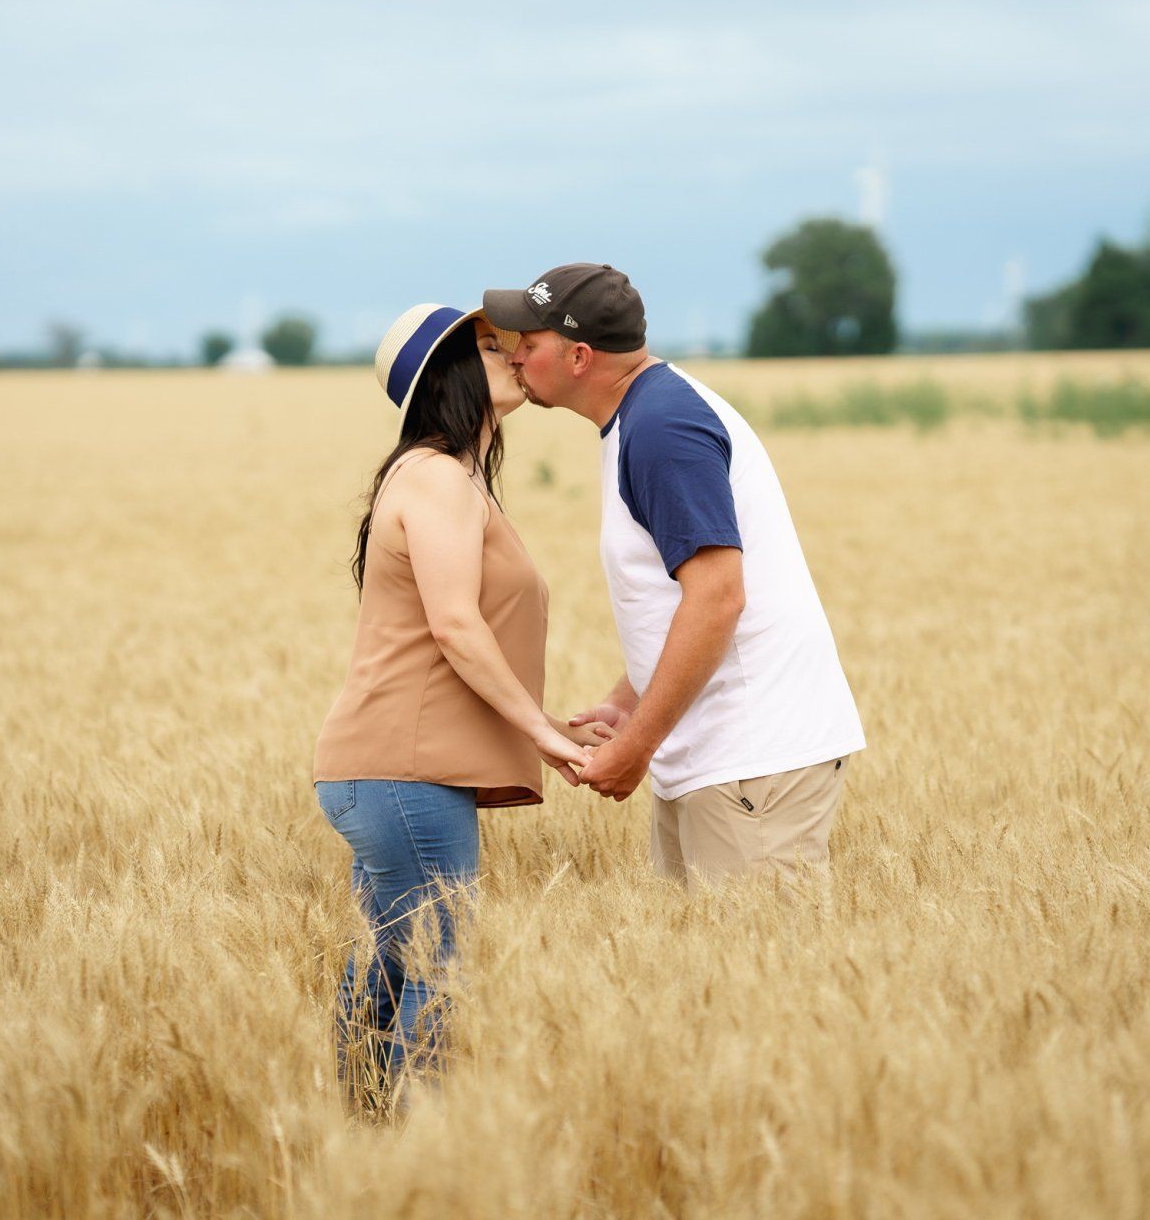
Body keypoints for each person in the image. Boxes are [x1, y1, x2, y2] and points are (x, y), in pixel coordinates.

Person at [483, 264, 865, 891]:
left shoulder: (662, 428)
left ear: (579, 356)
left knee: (757, 976)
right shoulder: (644, 414)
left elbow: (718, 597)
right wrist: (624, 703)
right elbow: (677, 598)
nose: (515, 355)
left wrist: (635, 748)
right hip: (716, 755)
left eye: (529, 341)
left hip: (750, 757)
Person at [312, 303, 603, 1114]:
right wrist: (540, 732)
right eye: (487, 343)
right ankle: (416, 1157)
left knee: (389, 965)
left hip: (392, 769)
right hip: (405, 772)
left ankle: (361, 1135)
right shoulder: (437, 477)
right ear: (444, 375)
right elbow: (454, 625)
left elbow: (464, 643)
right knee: (440, 968)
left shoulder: (454, 479)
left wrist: (557, 721)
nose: (512, 351)